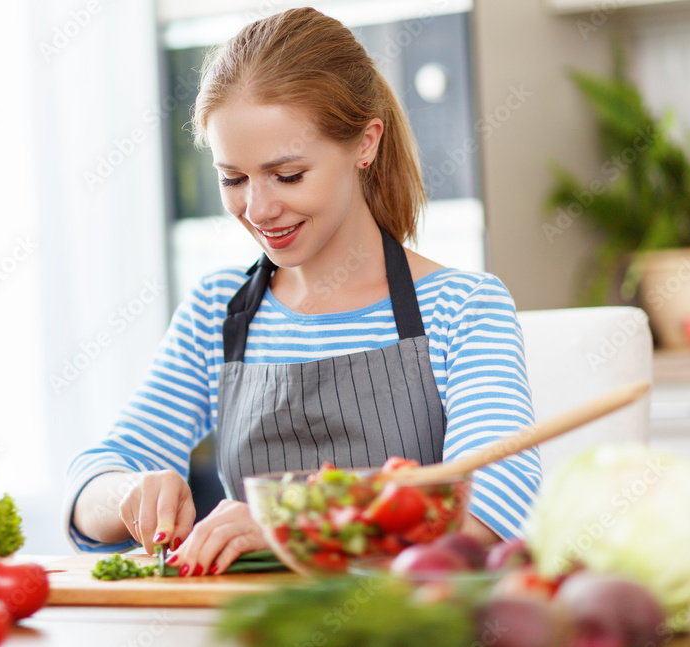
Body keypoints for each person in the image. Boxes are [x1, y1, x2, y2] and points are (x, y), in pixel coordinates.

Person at [64, 7, 541, 576]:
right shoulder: (219, 311)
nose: (259, 210)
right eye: (233, 179)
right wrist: (126, 492)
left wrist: (291, 525)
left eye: (288, 176)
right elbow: (92, 480)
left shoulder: (463, 308)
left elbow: (491, 502)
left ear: (365, 143)